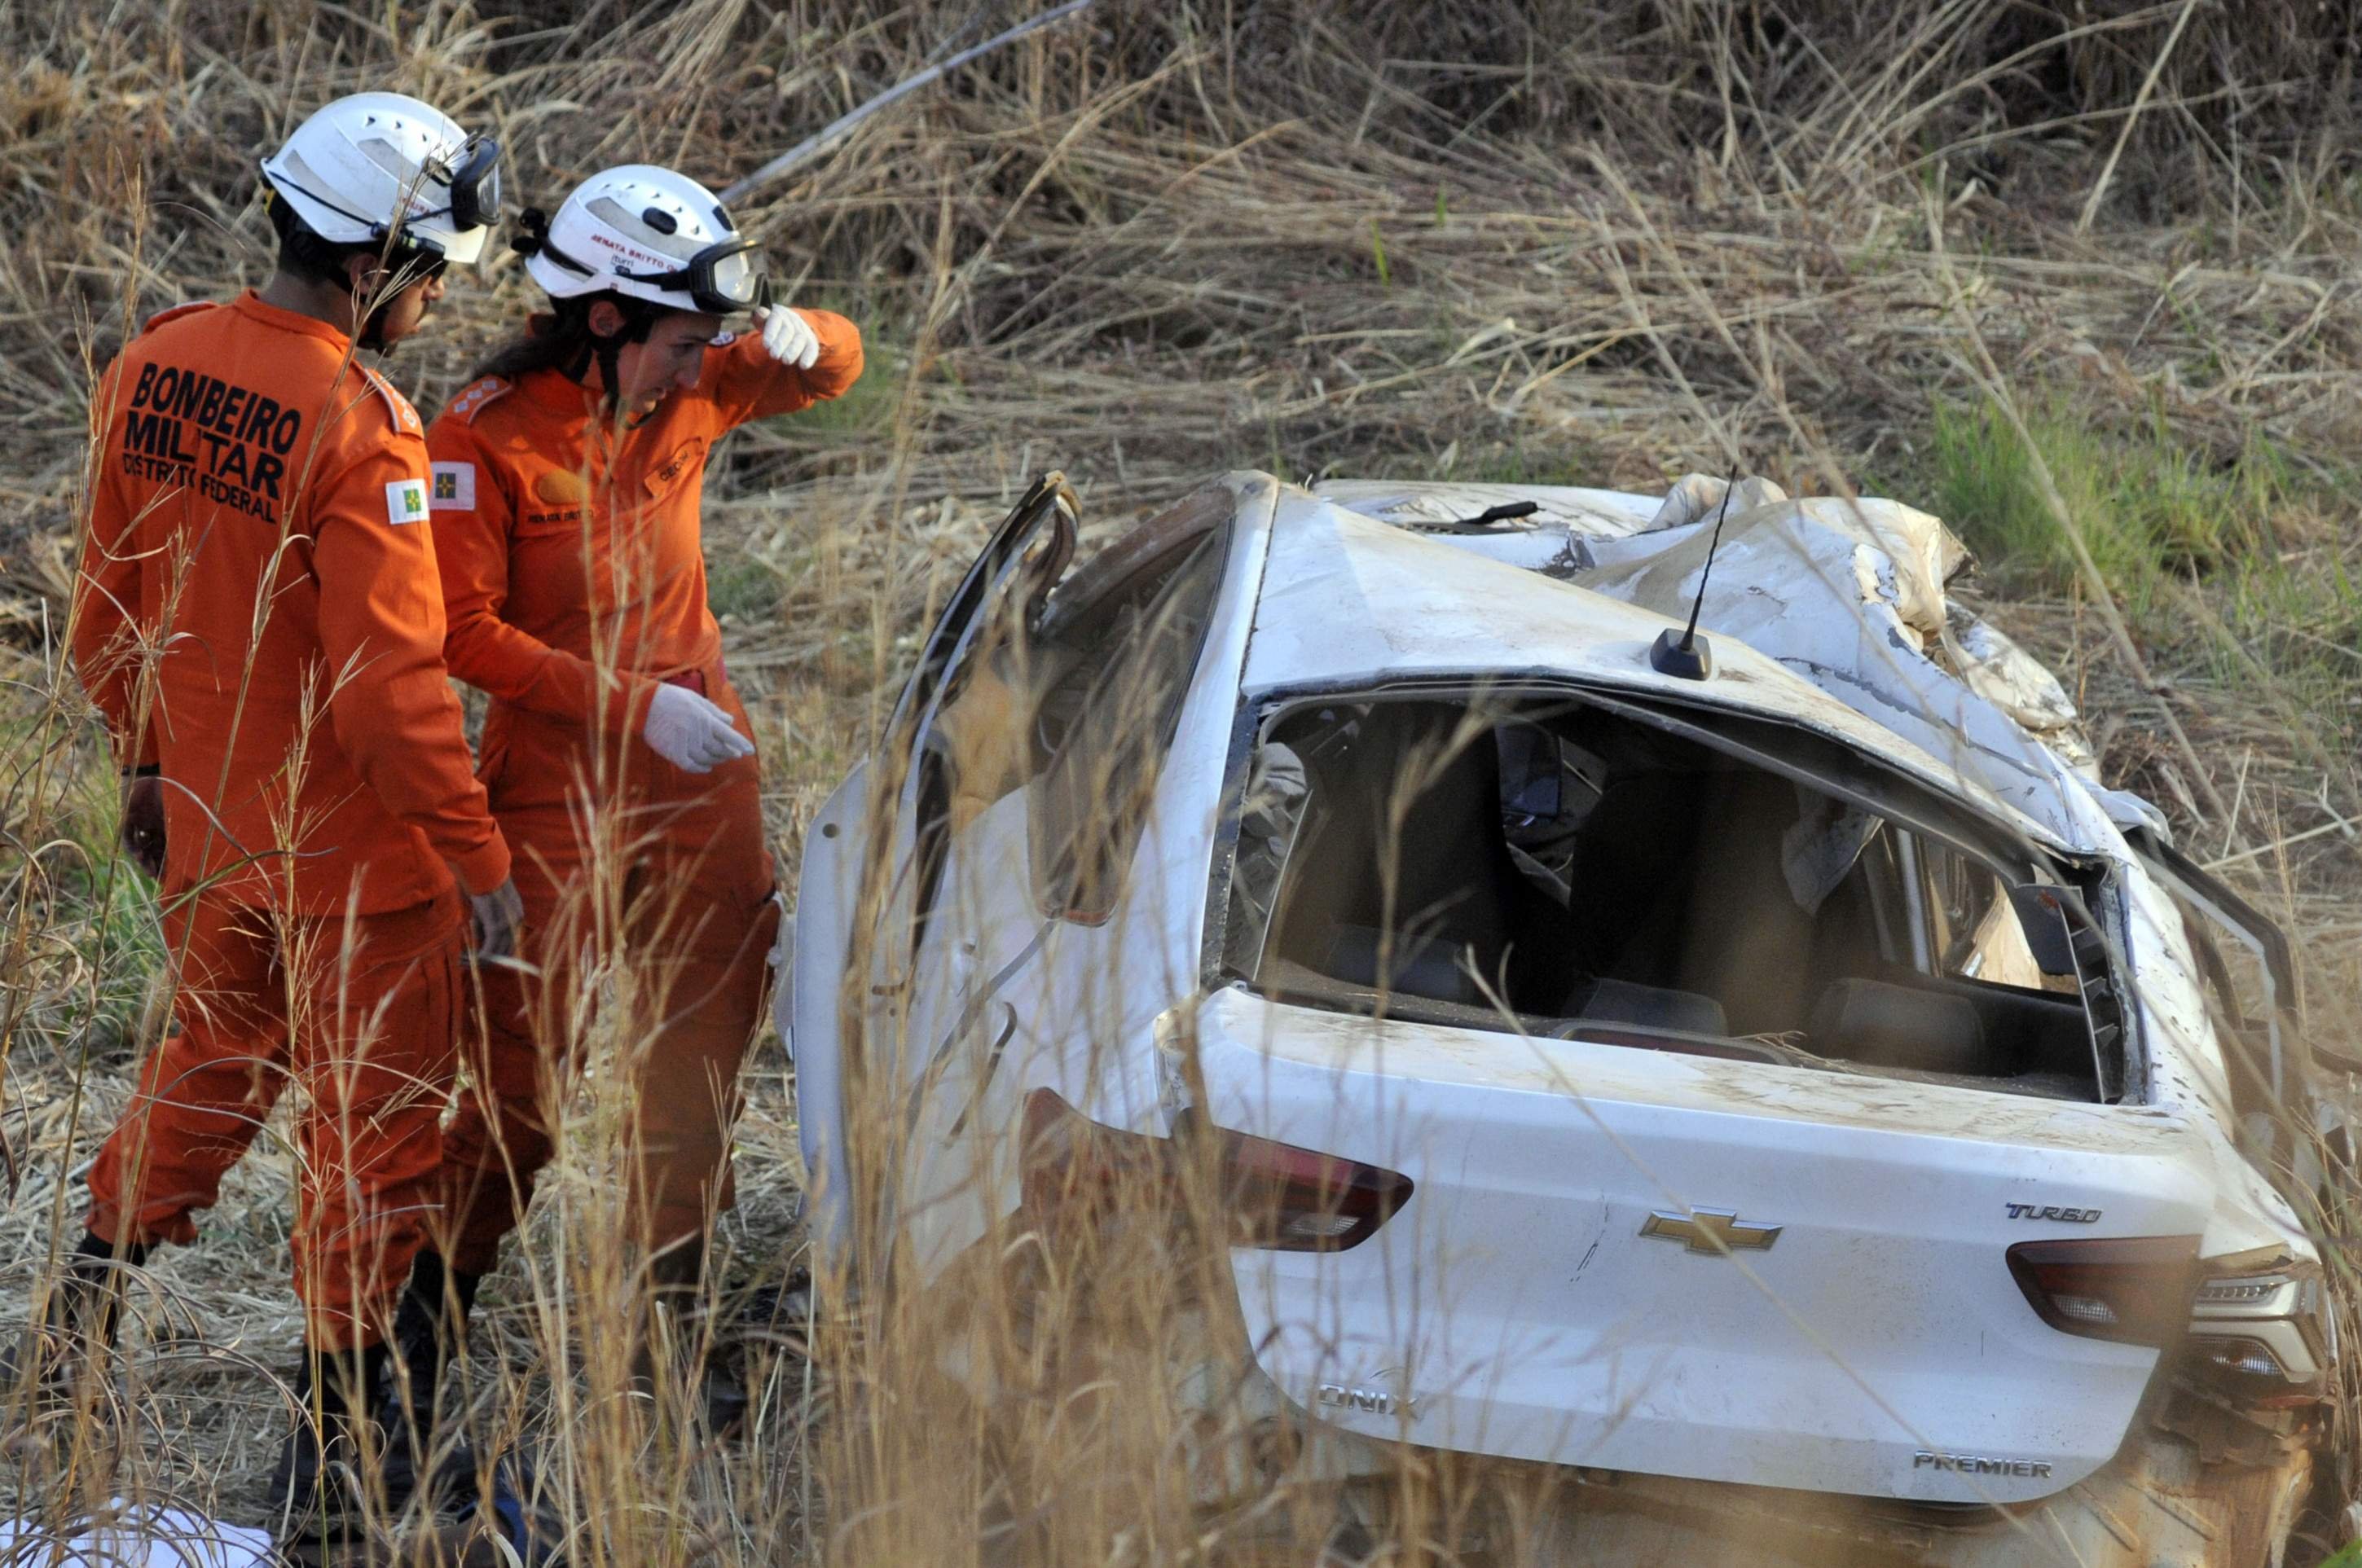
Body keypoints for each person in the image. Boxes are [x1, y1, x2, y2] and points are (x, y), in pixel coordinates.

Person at [36, 92, 521, 1535]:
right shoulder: (364, 429)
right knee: (374, 1159)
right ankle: (335, 1489)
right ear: (375, 266)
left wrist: (144, 765)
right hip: (363, 875)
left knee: (207, 1066)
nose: (437, 302)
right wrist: (476, 854)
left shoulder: (156, 358)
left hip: (207, 832)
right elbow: (391, 691)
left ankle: (69, 1333)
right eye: (433, 273)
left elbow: (106, 609)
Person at [395, 165, 861, 1423]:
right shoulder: (479, 436)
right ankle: (426, 1315)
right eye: (679, 337)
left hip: (703, 781)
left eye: (712, 338)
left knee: (697, 1067)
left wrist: (803, 337)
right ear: (602, 321)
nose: (696, 361)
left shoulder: (704, 379)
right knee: (522, 1084)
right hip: (553, 792)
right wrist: (627, 700)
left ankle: (670, 1323)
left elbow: (837, 373)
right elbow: (461, 634)